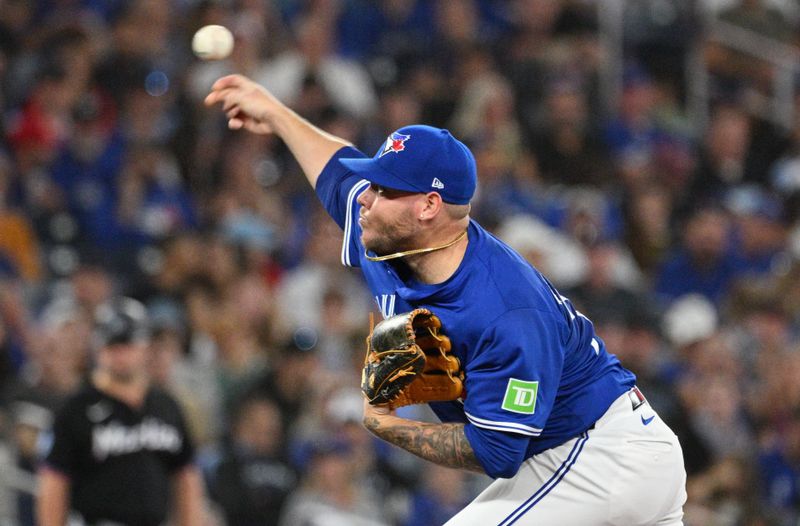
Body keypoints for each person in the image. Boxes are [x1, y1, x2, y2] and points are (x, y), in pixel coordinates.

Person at [205, 74, 687, 524]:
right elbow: (335, 168)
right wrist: (274, 112)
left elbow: (495, 452)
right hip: (572, 456)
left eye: (381, 188)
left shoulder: (501, 309)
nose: (365, 199)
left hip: (602, 456)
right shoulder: (395, 234)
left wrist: (385, 424)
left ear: (428, 206)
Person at [37, 297, 206, 526]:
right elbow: (54, 481)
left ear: (145, 347)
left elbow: (186, 476)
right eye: (113, 346)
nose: (121, 355)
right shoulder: (76, 410)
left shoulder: (166, 406)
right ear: (98, 349)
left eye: (128, 345)